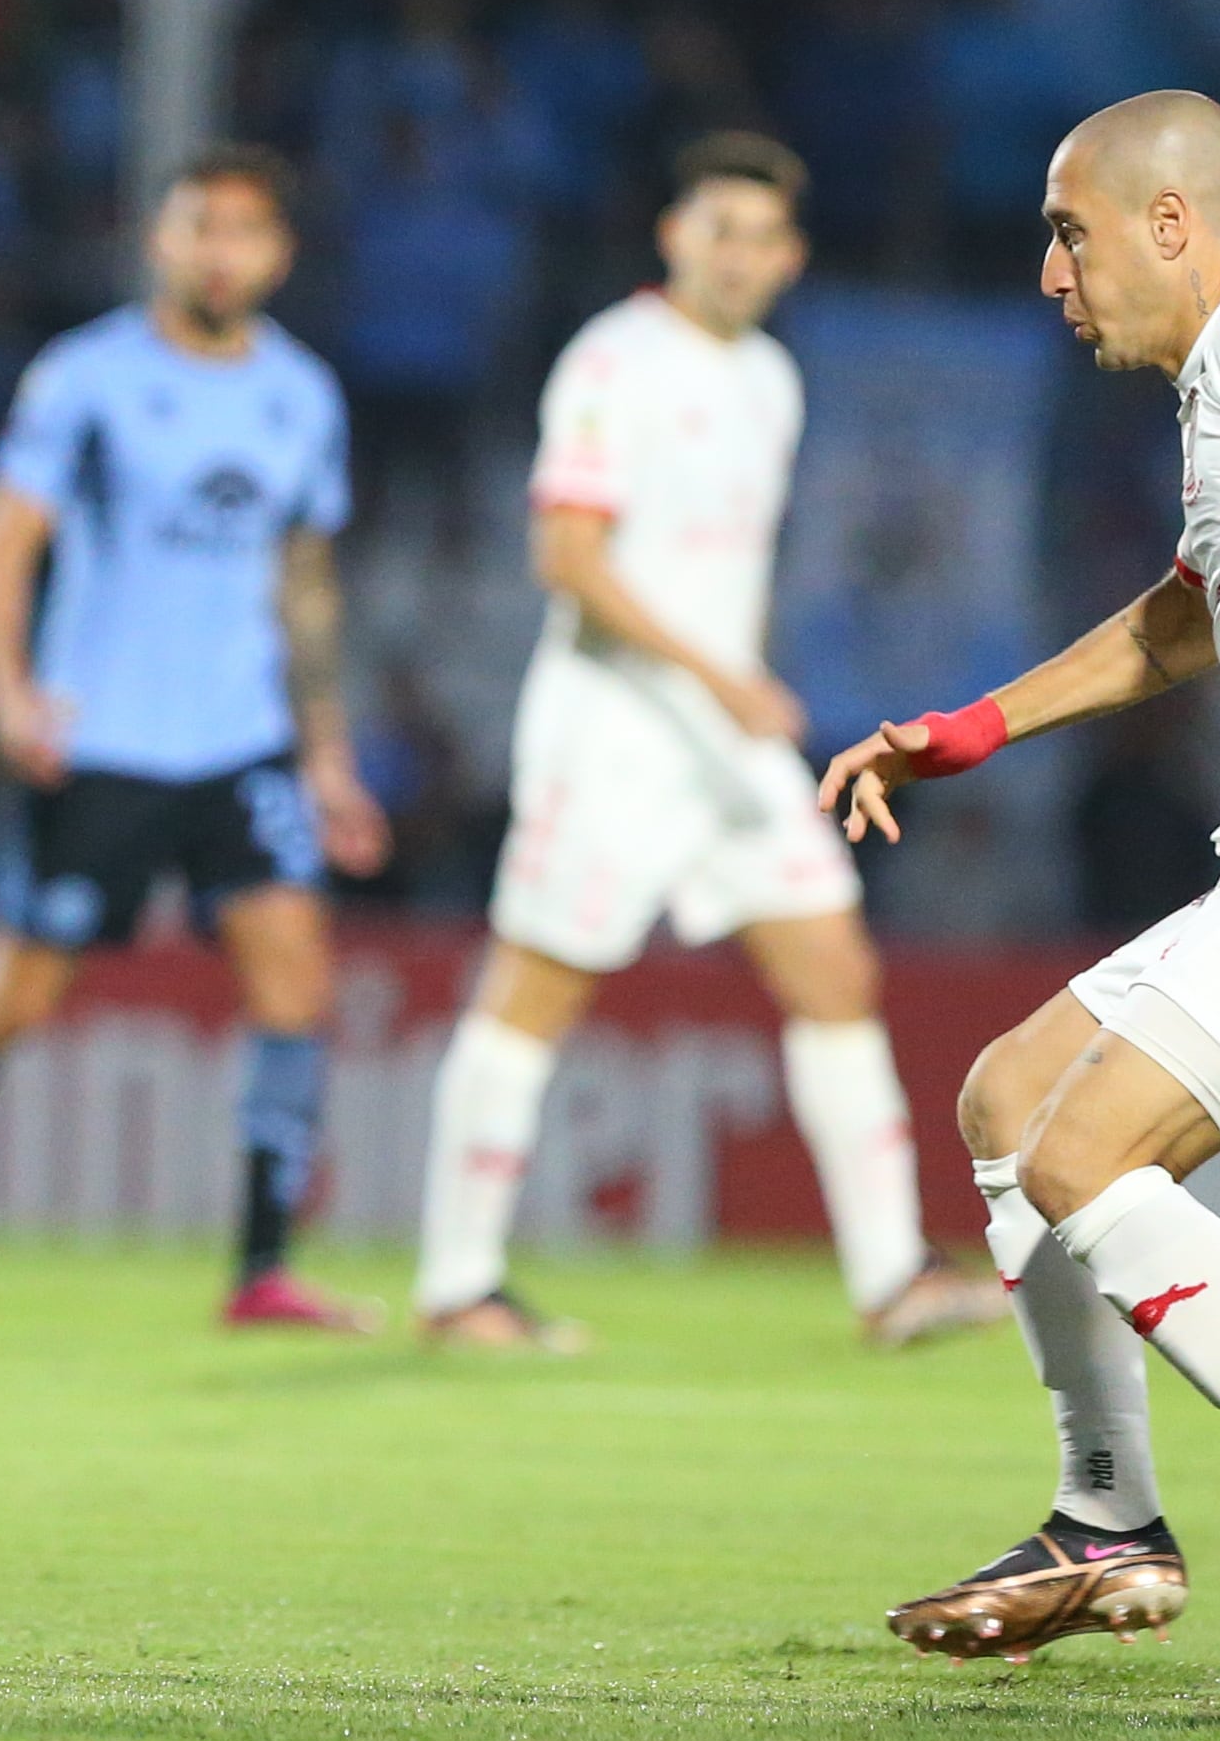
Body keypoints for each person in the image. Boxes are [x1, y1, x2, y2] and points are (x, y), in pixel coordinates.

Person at [411, 134, 1007, 1351]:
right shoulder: (612, 360)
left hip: (725, 737)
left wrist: (734, 687)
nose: (736, 256)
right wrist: (719, 679)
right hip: (612, 729)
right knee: (539, 984)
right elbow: (568, 561)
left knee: (832, 967)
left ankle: (891, 1276)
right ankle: (457, 1286)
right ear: (673, 234)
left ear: (788, 259)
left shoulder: (772, 380)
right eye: (715, 228)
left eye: (760, 238)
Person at [0, 148, 392, 1328]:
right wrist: (12, 694)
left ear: (277, 254)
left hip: (242, 747)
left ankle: (261, 1269)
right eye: (199, 226)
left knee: (295, 982)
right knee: (16, 996)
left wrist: (325, 753)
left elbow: (306, 587)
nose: (219, 250)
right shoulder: (86, 378)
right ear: (161, 241)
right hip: (106, 744)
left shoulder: (302, 395)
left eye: (243, 231)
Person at [822, 88, 1220, 1662]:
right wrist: (977, 727)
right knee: (1011, 1105)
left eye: (1070, 235)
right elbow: (1191, 611)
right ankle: (1106, 1521)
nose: (1051, 277)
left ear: (1171, 225)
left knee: (1087, 1157)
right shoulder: (1211, 394)